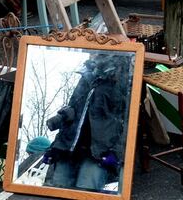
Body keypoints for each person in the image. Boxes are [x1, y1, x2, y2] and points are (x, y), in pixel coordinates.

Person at [43, 54, 132, 192]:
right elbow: (72, 111)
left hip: (99, 152)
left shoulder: (122, 78)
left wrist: (116, 153)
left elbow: (126, 121)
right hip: (69, 148)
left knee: (86, 191)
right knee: (55, 190)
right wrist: (55, 146)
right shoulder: (87, 75)